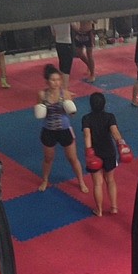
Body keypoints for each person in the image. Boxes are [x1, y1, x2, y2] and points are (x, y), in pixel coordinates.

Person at [35, 64, 89, 193]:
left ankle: (81, 181)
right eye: (53, 80)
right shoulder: (42, 94)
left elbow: (72, 114)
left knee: (72, 158)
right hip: (48, 130)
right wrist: (41, 108)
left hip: (64, 130)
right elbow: (40, 113)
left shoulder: (65, 93)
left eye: (58, 80)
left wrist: (71, 106)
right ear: (47, 81)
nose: (56, 82)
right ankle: (45, 180)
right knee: (48, 159)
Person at [81, 92, 132, 216]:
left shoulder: (86, 118)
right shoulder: (110, 116)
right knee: (110, 180)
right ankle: (114, 207)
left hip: (96, 153)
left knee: (97, 183)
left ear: (90, 105)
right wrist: (121, 144)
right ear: (104, 104)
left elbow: (87, 135)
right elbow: (115, 132)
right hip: (109, 152)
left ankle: (99, 210)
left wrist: (89, 151)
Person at [51, 22, 74, 90]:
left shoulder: (52, 19)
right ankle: (65, 90)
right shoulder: (67, 18)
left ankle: (61, 87)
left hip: (58, 43)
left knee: (62, 65)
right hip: (66, 42)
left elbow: (53, 33)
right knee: (67, 67)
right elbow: (76, 27)